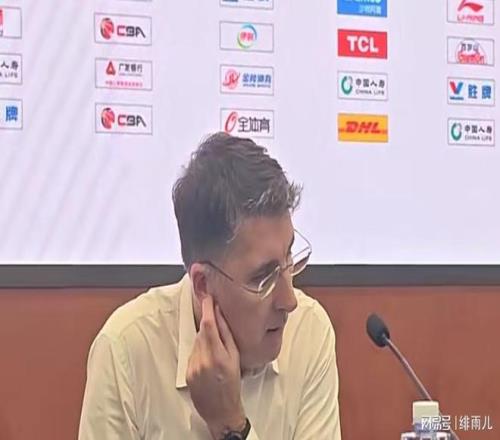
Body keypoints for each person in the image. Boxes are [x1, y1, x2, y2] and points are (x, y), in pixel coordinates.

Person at [78, 133, 341, 440]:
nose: (289, 301)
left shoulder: (308, 331)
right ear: (203, 284)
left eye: (289, 258)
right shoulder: (125, 350)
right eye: (264, 278)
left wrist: (231, 425)